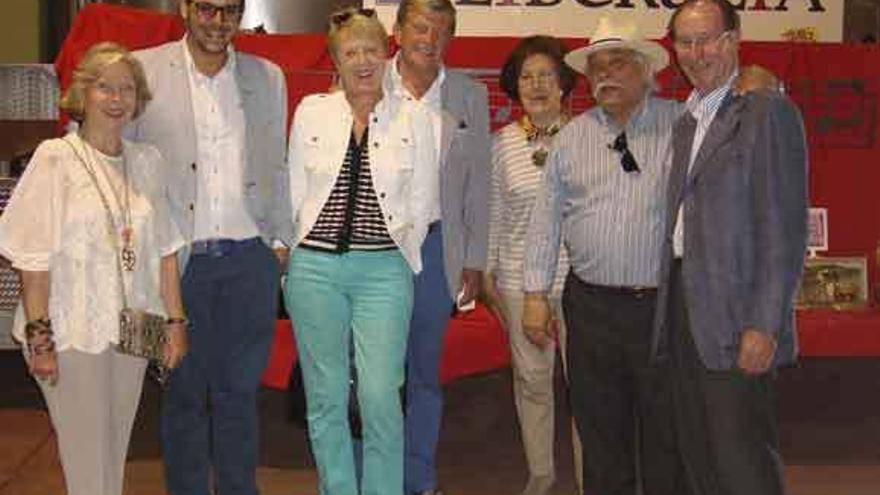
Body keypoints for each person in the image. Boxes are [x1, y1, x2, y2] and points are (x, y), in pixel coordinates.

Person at [0, 42, 187, 495]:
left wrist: (176, 323)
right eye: (105, 87)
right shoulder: (55, 158)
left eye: (127, 88)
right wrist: (39, 339)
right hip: (72, 330)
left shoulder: (147, 162)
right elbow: (32, 258)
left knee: (114, 450)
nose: (117, 98)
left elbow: (165, 250)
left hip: (135, 327)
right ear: (83, 94)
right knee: (86, 459)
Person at [127, 1, 292, 493]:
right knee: (180, 394)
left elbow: (277, 163)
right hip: (174, 265)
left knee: (239, 394)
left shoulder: (270, 77)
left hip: (249, 260)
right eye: (206, 8)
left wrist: (279, 241)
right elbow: (122, 161)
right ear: (184, 7)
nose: (217, 21)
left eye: (229, 10)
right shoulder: (142, 69)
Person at [522, 17, 685, 495]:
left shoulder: (681, 125)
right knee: (599, 432)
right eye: (597, 69)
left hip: (662, 308)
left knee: (664, 432)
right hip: (590, 308)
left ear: (646, 71)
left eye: (617, 65)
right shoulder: (571, 138)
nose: (605, 76)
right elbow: (546, 219)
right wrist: (536, 294)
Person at [656, 1, 808, 494]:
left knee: (742, 463)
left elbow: (783, 229)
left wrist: (764, 324)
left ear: (734, 39)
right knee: (697, 454)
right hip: (682, 308)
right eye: (685, 42)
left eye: (708, 39)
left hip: (736, 316)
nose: (697, 53)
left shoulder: (766, 110)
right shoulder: (685, 122)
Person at [284, 8, 438, 495]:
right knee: (325, 399)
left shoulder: (417, 117)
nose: (363, 60)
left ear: (388, 54)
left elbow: (424, 202)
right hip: (314, 270)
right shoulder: (311, 111)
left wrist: (396, 258)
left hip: (383, 272)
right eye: (351, 52)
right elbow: (294, 191)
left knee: (379, 399)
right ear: (336, 60)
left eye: (372, 49)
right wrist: (296, 254)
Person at [386, 2, 491, 493]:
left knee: (425, 374)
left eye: (441, 31)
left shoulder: (468, 94)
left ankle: (418, 479)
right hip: (375, 255)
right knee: (375, 376)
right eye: (420, 27)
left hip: (436, 251)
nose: (429, 39)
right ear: (398, 30)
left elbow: (478, 185)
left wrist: (473, 259)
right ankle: (378, 477)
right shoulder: (363, 84)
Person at [483, 35, 582, 495]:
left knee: (585, 386)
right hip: (521, 282)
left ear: (564, 83)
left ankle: (591, 476)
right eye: (527, 77)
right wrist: (488, 276)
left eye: (546, 75)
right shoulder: (502, 144)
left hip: (582, 282)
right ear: (514, 87)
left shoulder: (588, 136)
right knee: (532, 381)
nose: (537, 84)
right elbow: (495, 215)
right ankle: (541, 473)